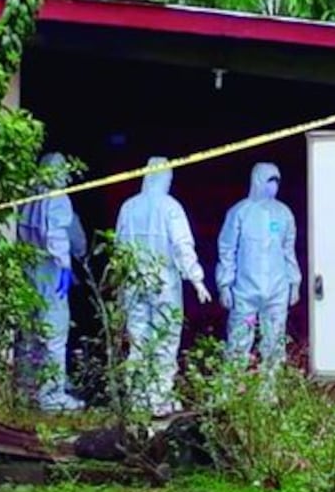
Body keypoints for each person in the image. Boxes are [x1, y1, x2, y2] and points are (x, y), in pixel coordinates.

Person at [115, 156, 212, 417]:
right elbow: (182, 245)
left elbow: (119, 247)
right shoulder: (171, 207)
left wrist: (120, 283)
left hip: (134, 282)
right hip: (164, 284)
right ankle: (159, 398)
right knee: (165, 339)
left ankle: (137, 398)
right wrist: (197, 278)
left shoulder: (129, 207)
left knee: (138, 339)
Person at [15, 152, 86, 412]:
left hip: (30, 269)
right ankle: (52, 395)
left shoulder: (30, 198)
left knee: (30, 334)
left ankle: (26, 389)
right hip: (51, 269)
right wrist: (66, 265)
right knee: (55, 334)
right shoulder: (58, 199)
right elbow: (58, 234)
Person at [215, 162, 300, 369]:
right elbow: (227, 250)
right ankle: (232, 392)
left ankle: (268, 394)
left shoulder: (284, 214)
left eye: (277, 181)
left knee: (275, 343)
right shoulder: (240, 212)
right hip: (245, 289)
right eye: (270, 180)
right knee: (238, 342)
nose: (274, 186)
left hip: (277, 288)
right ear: (258, 180)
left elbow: (289, 250)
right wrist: (224, 285)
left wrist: (294, 283)